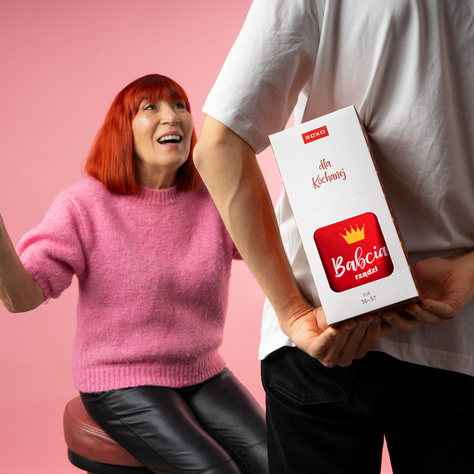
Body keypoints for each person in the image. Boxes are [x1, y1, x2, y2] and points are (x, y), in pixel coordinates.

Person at [193, 1, 474, 472]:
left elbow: (219, 146)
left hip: (323, 318)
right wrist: (467, 268)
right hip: (457, 334)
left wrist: (293, 311)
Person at [0, 74, 269, 474]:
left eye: (180, 106)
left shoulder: (212, 197)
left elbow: (274, 246)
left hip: (203, 372)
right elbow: (20, 298)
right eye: (151, 108)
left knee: (279, 463)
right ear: (123, 129)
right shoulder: (83, 205)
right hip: (120, 380)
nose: (172, 117)